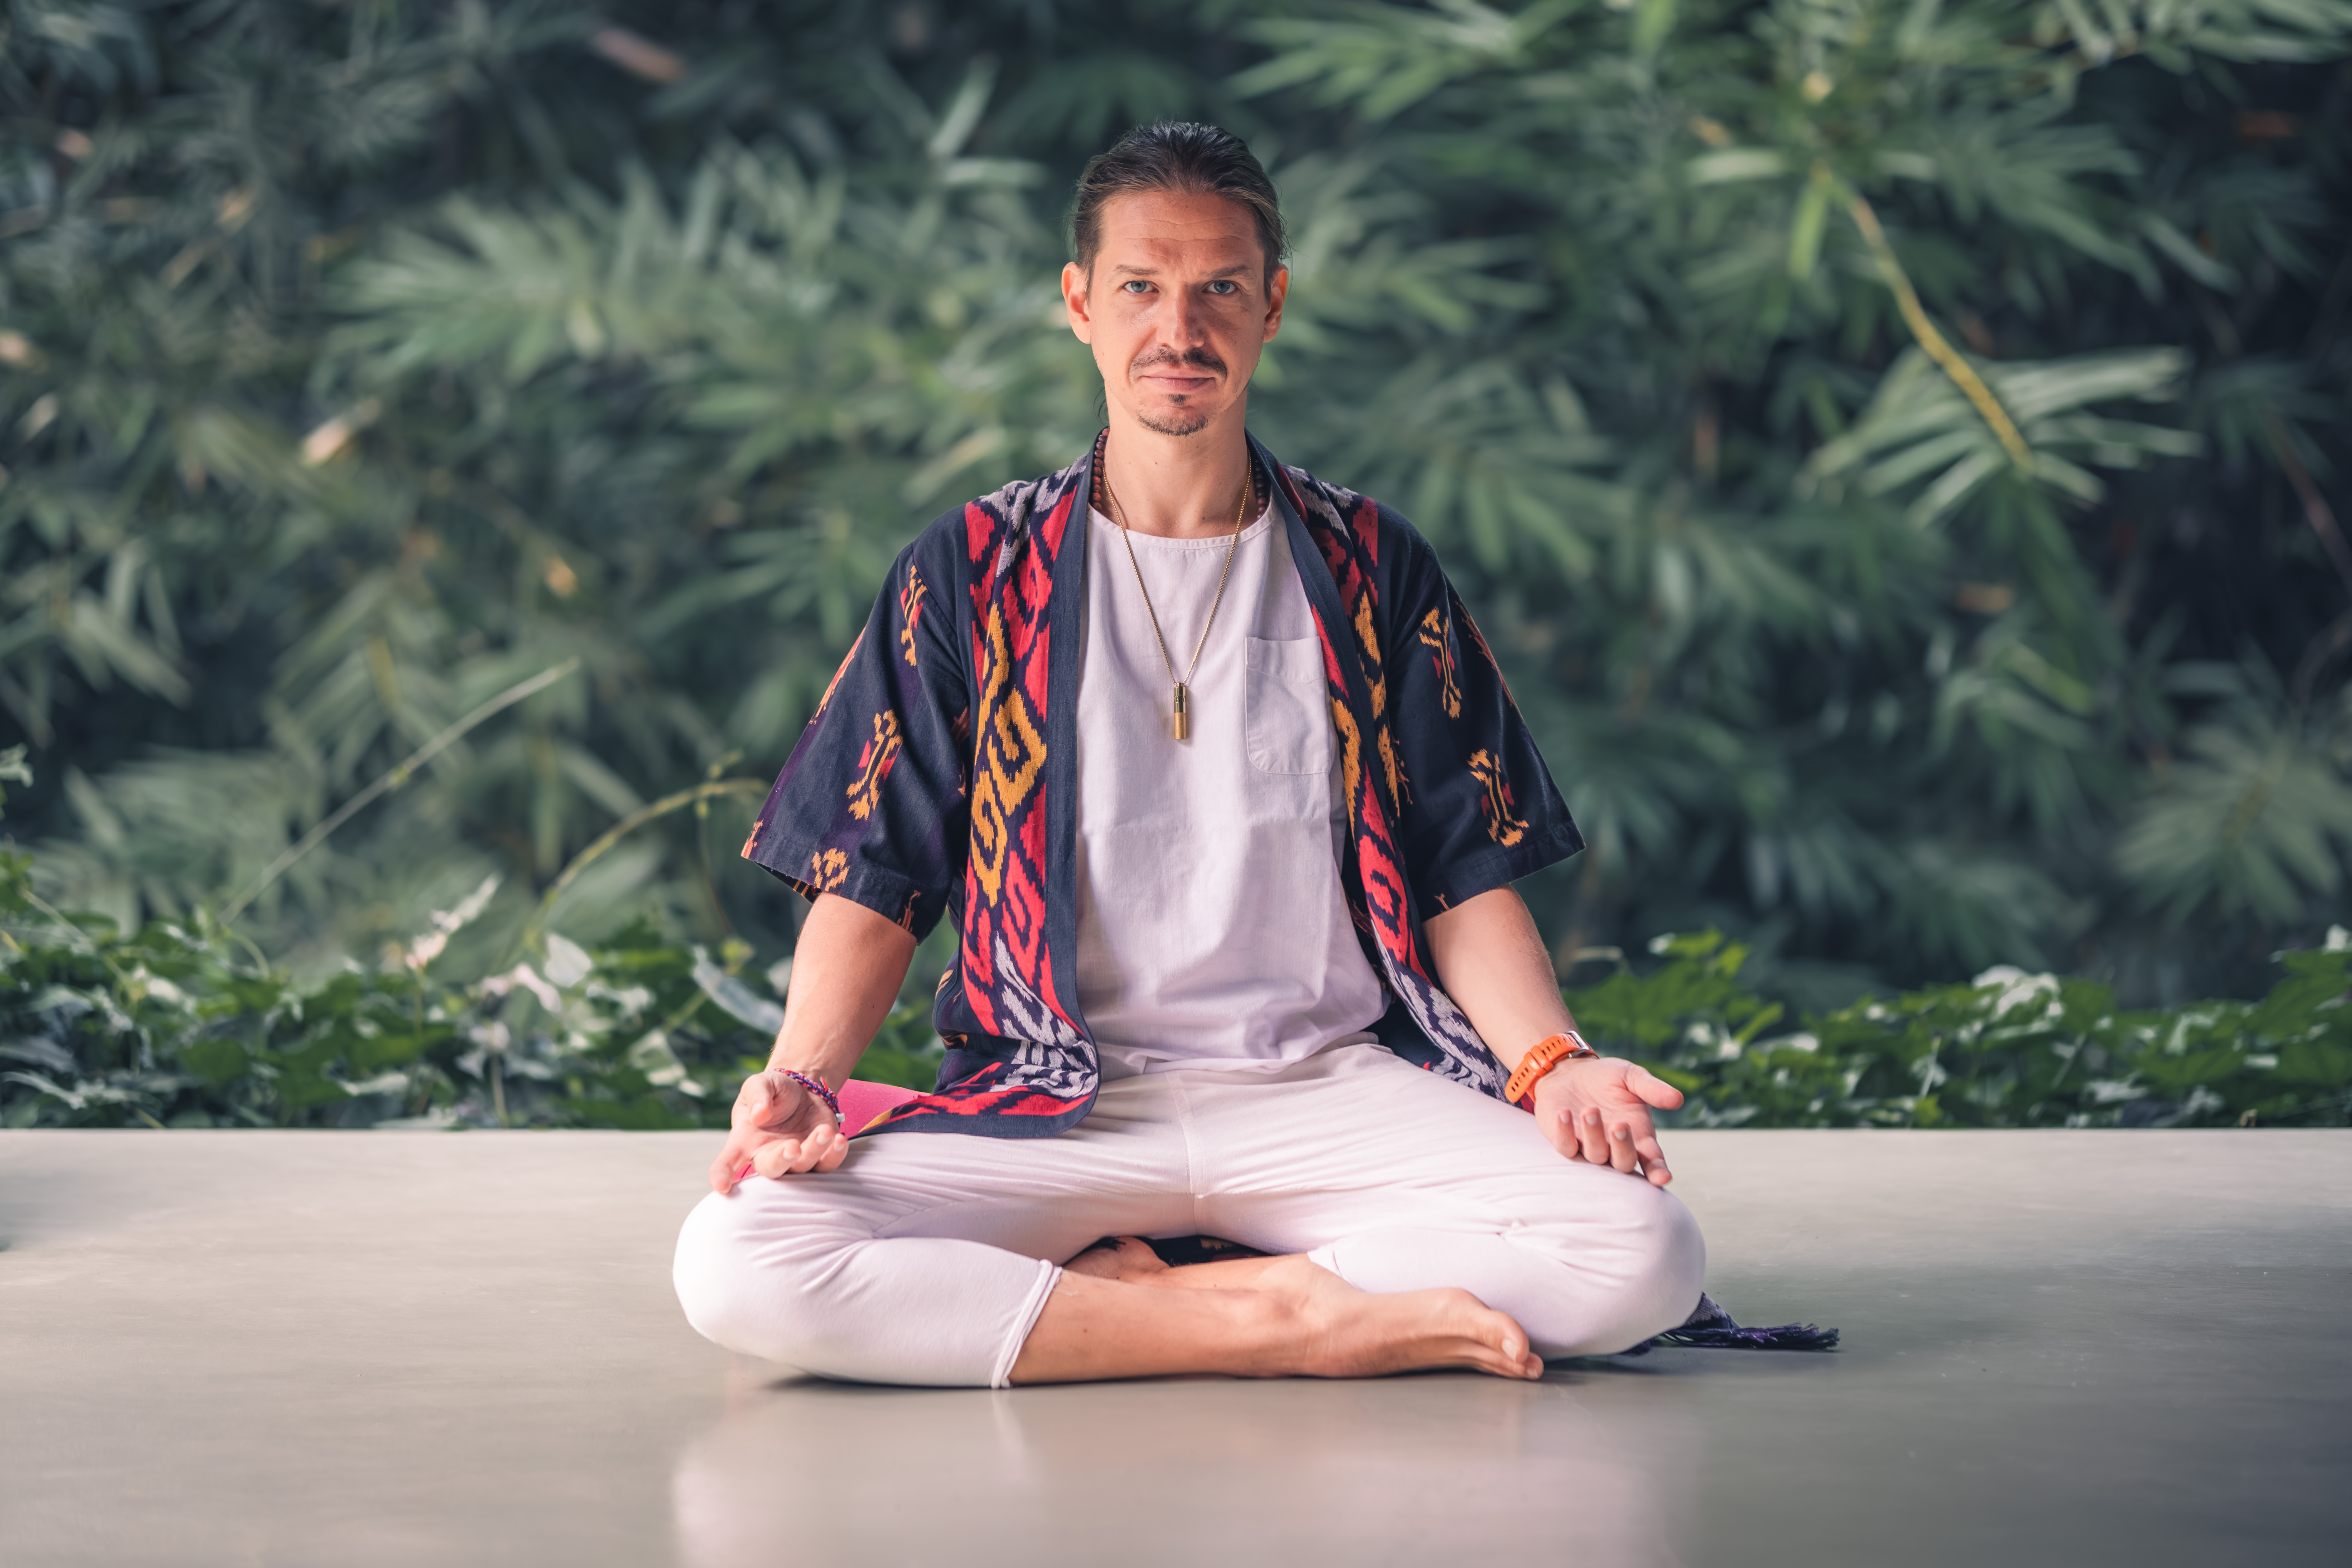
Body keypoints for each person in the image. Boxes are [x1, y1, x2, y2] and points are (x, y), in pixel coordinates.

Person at [672, 122, 1702, 1387]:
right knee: (741, 1258)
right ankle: (1284, 1316)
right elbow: (875, 873)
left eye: (1220, 287)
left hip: (1324, 1087)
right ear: (1080, 307)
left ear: (1272, 304)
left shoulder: (1369, 561)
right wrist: (805, 1083)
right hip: (1062, 1093)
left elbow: (1461, 867)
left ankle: (1160, 1293)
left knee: (1641, 1250)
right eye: (1141, 289)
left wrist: (1551, 1062)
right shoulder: (975, 568)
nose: (1181, 328)